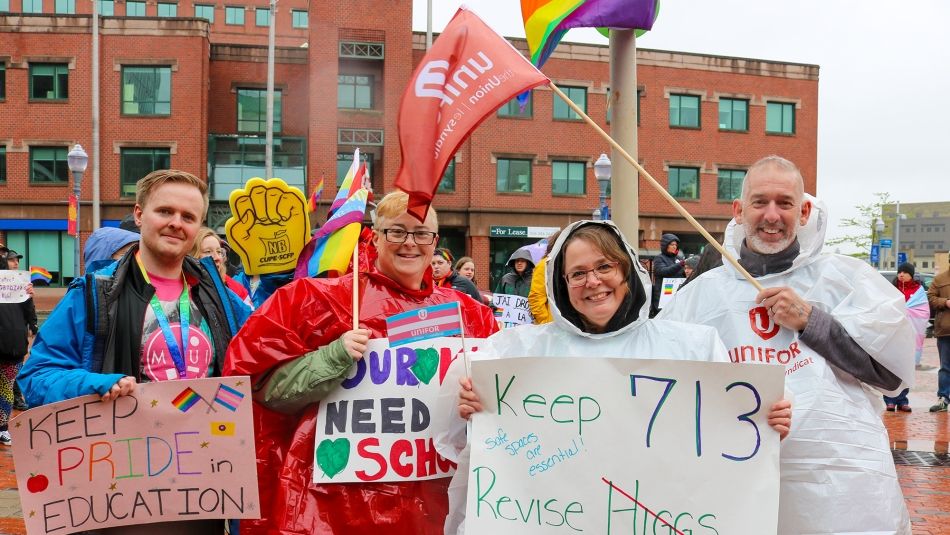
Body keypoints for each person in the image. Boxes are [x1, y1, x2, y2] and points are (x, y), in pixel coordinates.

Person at [438, 220, 791, 533]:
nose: (593, 282)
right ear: (561, 285)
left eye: (604, 266)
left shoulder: (689, 349)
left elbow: (731, 438)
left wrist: (765, 422)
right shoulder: (518, 354)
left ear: (627, 271)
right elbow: (467, 441)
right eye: (577, 274)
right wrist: (471, 407)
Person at [660, 155, 915, 534]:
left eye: (785, 203)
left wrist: (812, 321)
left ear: (805, 210)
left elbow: (889, 374)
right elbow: (665, 387)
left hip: (835, 487)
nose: (772, 215)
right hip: (733, 477)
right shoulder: (700, 295)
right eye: (760, 202)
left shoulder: (844, 280)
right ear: (739, 210)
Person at [223, 191, 498, 535]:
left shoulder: (469, 314)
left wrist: (482, 404)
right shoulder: (317, 299)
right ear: (376, 237)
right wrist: (332, 357)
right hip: (333, 510)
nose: (410, 243)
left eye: (421, 233)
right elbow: (259, 388)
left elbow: (503, 408)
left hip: (433, 506)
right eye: (397, 232)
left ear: (435, 241)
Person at [18, 170, 252, 534]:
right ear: (140, 214)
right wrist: (90, 383)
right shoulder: (94, 293)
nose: (176, 223)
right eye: (165, 212)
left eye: (188, 217)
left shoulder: (219, 296)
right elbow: (35, 378)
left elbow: (271, 345)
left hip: (203, 491)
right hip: (119, 497)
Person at [0, 248, 37, 444]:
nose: (14, 263)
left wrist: (29, 297)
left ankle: (3, 427)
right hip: (11, 343)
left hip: (13, 345)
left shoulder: (19, 284)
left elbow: (27, 311)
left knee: (6, 389)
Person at [884, 262, 927, 412]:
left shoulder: (919, 291)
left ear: (911, 274)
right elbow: (884, 308)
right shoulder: (890, 290)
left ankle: (903, 400)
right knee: (890, 367)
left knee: (905, 368)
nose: (901, 274)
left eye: (905, 272)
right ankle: (889, 400)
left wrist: (909, 313)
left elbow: (923, 311)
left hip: (910, 336)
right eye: (899, 272)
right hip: (892, 335)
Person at [191, 226, 251, 305]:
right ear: (192, 255)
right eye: (208, 251)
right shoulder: (182, 288)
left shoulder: (236, 288)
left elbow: (250, 315)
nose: (217, 258)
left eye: (219, 252)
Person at [928, 253, 950, 412]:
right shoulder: (940, 279)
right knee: (945, 367)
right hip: (945, 330)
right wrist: (945, 302)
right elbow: (930, 297)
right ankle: (943, 398)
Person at [650, 232, 685, 316]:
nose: (674, 246)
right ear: (665, 245)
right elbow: (663, 271)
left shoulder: (679, 259)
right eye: (672, 244)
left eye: (676, 245)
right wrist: (680, 265)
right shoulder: (659, 258)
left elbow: (683, 274)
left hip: (677, 295)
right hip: (663, 296)